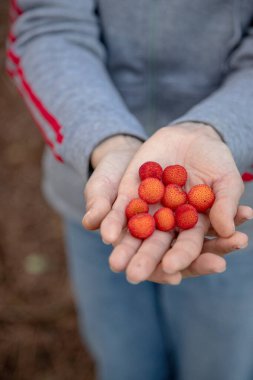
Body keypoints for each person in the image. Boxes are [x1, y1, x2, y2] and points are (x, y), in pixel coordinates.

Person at [7, 0, 253, 379]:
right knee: (123, 358)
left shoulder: (188, 198)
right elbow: (48, 25)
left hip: (225, 192)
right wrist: (106, 140)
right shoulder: (137, 194)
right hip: (100, 191)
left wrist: (216, 128)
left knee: (218, 362)